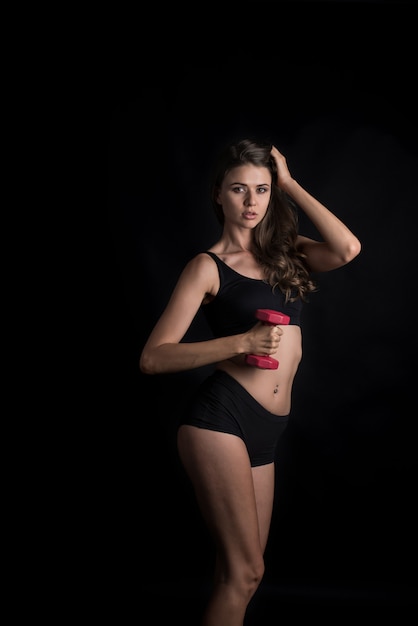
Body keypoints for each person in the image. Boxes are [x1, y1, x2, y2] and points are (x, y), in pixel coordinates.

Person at [139, 138, 361, 625]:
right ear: (219, 194)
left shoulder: (287, 253)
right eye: (239, 189)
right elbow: (153, 358)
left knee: (239, 576)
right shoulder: (207, 266)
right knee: (245, 573)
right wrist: (241, 343)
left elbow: (347, 248)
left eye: (262, 190)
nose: (252, 202)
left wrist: (291, 184)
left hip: (267, 432)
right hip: (221, 421)